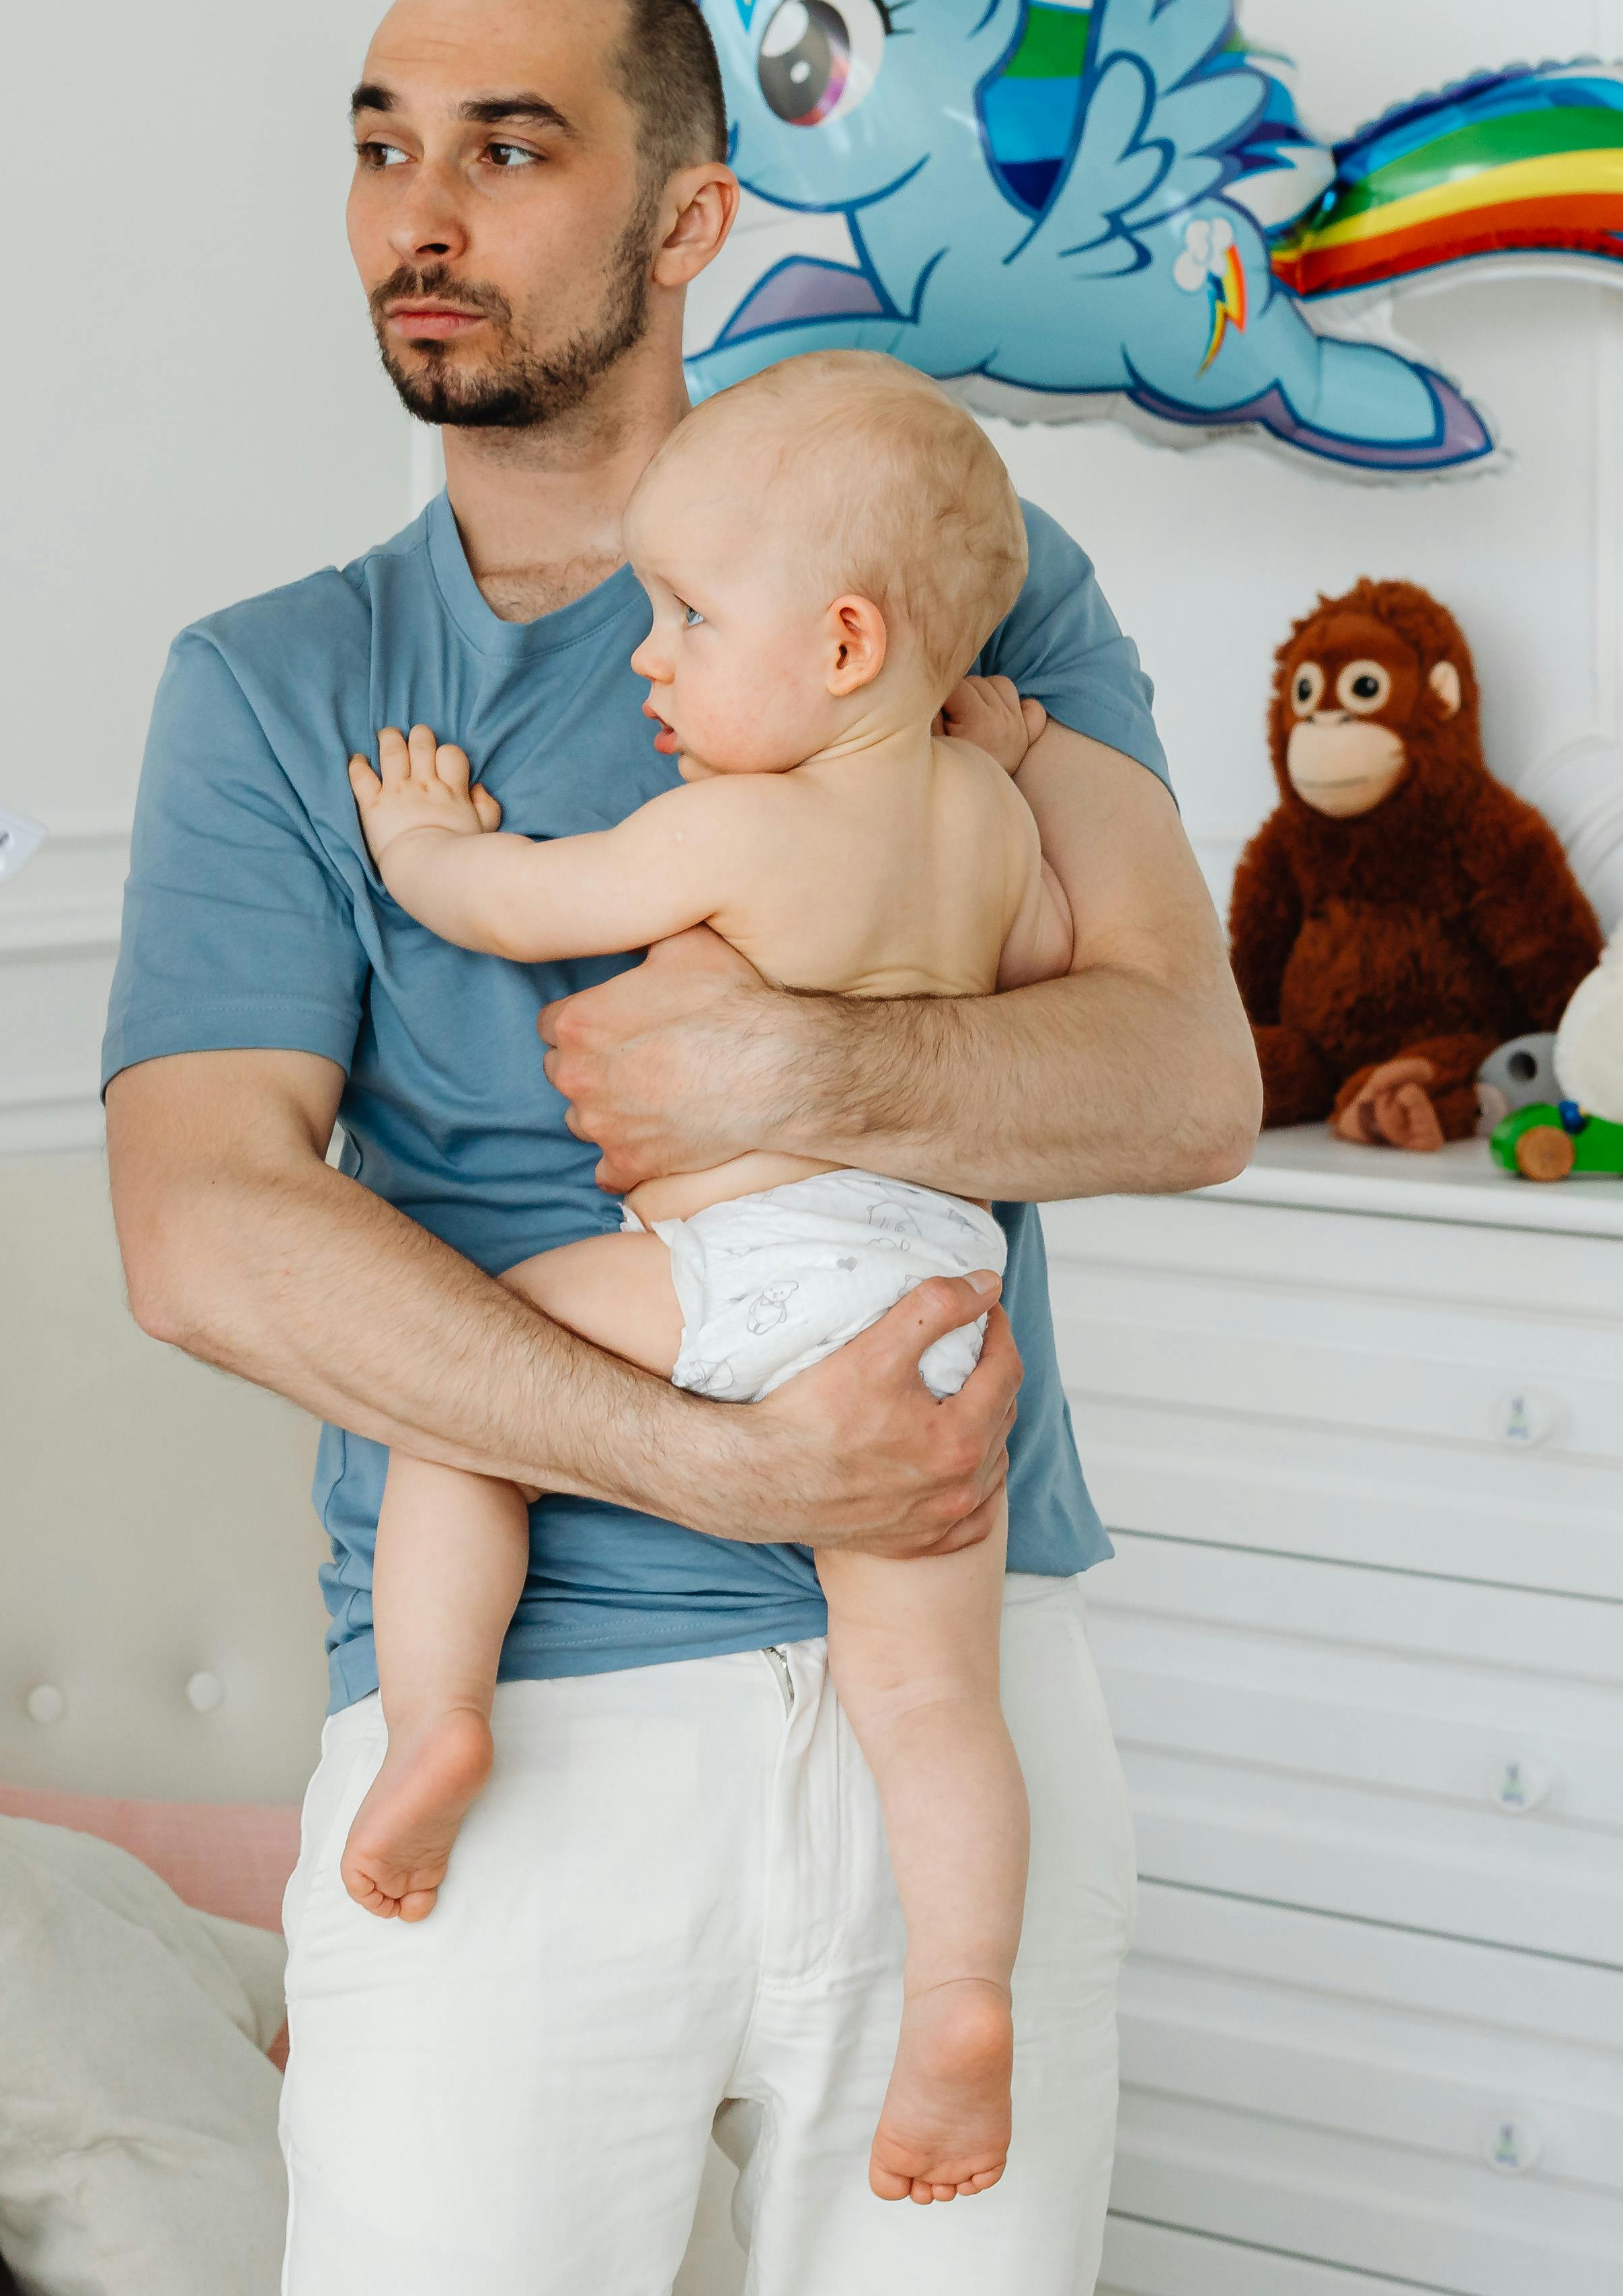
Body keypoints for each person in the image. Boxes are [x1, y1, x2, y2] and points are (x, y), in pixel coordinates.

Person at [102, 0, 1261, 2293]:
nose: (421, 215)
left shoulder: (958, 583)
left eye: (509, 150)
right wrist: (735, 1466)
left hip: (962, 1677)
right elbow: (204, 1229)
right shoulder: (281, 683)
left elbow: (1185, 1084)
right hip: (521, 1739)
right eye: (380, 149)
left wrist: (801, 1067)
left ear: (690, 218)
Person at [335, 349, 1072, 2207]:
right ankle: (966, 1998)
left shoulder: (738, 821)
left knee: (463, 1386)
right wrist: (997, 760)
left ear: (838, 647)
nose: (644, 655)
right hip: (939, 1302)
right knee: (931, 1705)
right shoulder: (987, 826)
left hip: (746, 1271)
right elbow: (1057, 953)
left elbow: (518, 909)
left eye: (680, 615)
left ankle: (438, 1718)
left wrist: (428, 839)